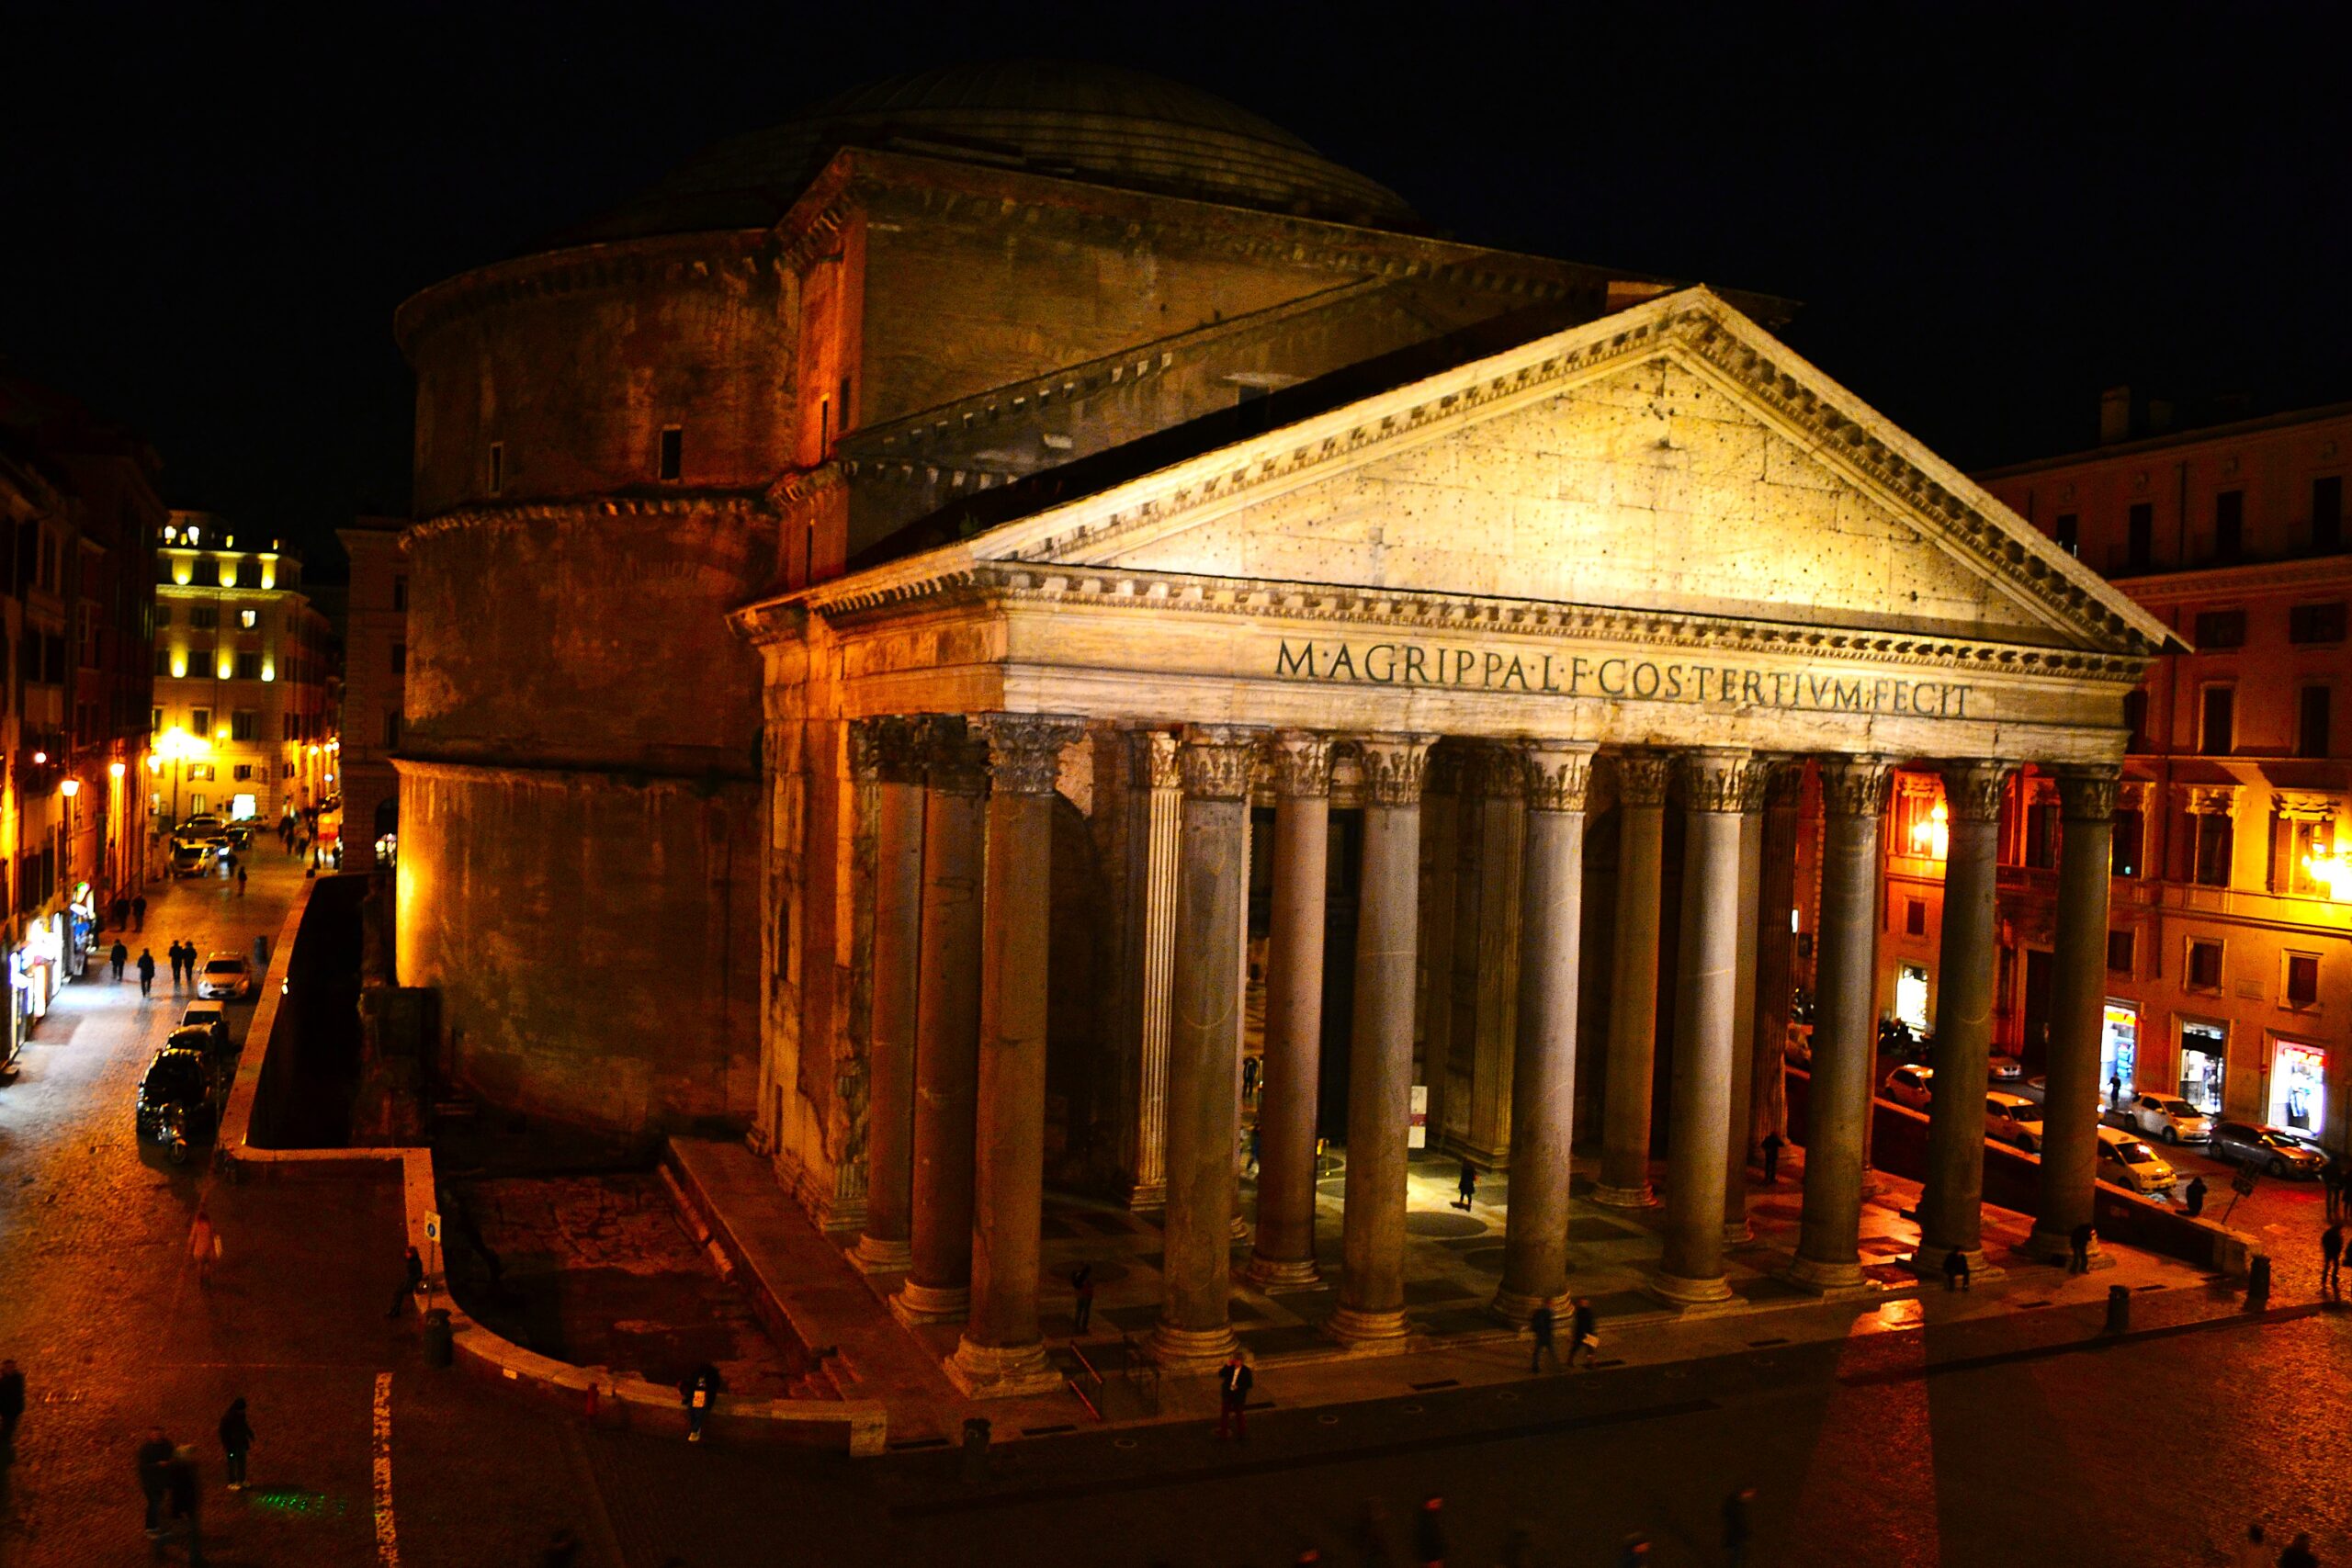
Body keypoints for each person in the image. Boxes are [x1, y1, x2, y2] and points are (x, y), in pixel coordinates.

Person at [165, 1442, 203, 1563]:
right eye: (190, 1454)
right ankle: (194, 1558)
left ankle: (195, 1557)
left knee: (189, 1533)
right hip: (186, 1508)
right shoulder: (180, 1470)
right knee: (191, 1533)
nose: (193, 1456)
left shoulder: (188, 1467)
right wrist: (181, 1510)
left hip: (189, 1506)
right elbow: (179, 1492)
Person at [137, 1427, 175, 1537]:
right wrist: (158, 1465)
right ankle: (150, 1528)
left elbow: (173, 1457)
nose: (157, 1437)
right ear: (150, 1435)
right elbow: (143, 1467)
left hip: (162, 1481)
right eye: (154, 1434)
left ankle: (157, 1526)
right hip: (149, 1482)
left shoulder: (167, 1445)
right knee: (154, 1503)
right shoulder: (146, 1449)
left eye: (158, 1434)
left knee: (159, 1502)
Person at [1215, 1350, 1252, 1440]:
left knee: (1239, 1415)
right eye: (1235, 1360)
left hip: (1238, 1396)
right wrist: (1227, 1366)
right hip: (1228, 1394)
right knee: (1224, 1414)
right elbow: (1221, 1374)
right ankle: (1223, 1432)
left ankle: (1242, 1433)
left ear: (1241, 1361)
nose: (1236, 1362)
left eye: (1238, 1360)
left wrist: (1238, 1387)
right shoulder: (1230, 1368)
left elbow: (1249, 1384)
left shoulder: (1246, 1371)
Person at [680, 1362, 722, 1442]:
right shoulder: (700, 1376)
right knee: (693, 1412)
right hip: (698, 1395)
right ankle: (695, 1430)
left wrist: (709, 1404)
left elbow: (711, 1391)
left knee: (697, 1413)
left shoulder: (706, 1377)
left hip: (702, 1396)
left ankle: (695, 1431)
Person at [218, 1398, 252, 1491]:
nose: (243, 1411)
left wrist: (249, 1433)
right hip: (232, 1445)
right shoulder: (228, 1418)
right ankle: (232, 1482)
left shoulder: (240, 1415)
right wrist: (227, 1445)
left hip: (241, 1443)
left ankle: (241, 1480)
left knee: (242, 1462)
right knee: (232, 1464)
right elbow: (223, 1433)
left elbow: (244, 1425)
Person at [1722, 1486, 1755, 1568]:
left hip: (1735, 1538)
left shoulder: (1736, 1506)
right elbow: (1738, 1523)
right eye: (1748, 1494)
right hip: (1736, 1538)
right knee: (1736, 1558)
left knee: (1736, 1557)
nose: (1749, 1497)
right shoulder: (1736, 1508)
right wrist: (1745, 1533)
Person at [388, 1245, 424, 1317]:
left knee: (399, 1293)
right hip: (408, 1281)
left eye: (408, 1253)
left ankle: (395, 1310)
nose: (406, 1254)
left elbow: (418, 1275)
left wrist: (411, 1280)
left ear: (412, 1254)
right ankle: (394, 1309)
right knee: (397, 1292)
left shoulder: (416, 1262)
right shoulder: (411, 1260)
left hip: (412, 1283)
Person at [189, 1209, 220, 1286]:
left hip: (199, 1249)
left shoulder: (196, 1225)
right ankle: (208, 1279)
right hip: (208, 1249)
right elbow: (214, 1236)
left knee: (200, 1264)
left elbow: (192, 1238)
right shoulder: (209, 1225)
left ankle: (200, 1279)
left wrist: (190, 1248)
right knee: (208, 1265)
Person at [1413, 1495, 1446, 1568]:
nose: (1438, 1505)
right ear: (1428, 1503)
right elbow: (1427, 1540)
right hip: (1432, 1557)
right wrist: (1433, 1559)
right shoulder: (1426, 1520)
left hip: (1433, 1557)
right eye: (1435, 1503)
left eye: (1439, 1503)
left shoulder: (1431, 1518)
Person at [1566, 1297, 1598, 1368]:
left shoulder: (1579, 1312)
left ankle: (1570, 1360)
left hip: (1581, 1334)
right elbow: (1590, 1324)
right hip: (1587, 1334)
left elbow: (1577, 1325)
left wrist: (1574, 1334)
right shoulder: (1588, 1312)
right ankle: (1591, 1363)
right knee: (1589, 1350)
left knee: (1576, 1348)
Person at [0, 1358, 23, 1454]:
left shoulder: (16, 1379)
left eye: (11, 1367)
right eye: (7, 1368)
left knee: (9, 1428)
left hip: (13, 1409)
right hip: (6, 1410)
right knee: (7, 1428)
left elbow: (14, 1392)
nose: (9, 1369)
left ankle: (5, 1445)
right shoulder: (6, 1379)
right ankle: (5, 1445)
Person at [1528, 1302, 1558, 1374]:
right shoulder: (1548, 1313)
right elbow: (1549, 1325)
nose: (1552, 1306)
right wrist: (1550, 1333)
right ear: (1548, 1305)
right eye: (1551, 1305)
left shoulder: (1538, 1312)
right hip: (1546, 1335)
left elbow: (1535, 1323)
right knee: (1551, 1351)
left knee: (1538, 1351)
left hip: (1540, 1335)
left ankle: (1535, 1366)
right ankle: (1556, 1366)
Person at [1070, 1263, 1095, 1335]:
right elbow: (1092, 1284)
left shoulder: (1079, 1275)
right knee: (1086, 1312)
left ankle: (1076, 1327)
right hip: (1087, 1295)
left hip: (1080, 1295)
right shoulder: (1088, 1277)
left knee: (1078, 1311)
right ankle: (1084, 1328)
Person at [2322, 1224, 2344, 1294]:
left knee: (2327, 1265)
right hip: (2334, 1253)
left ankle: (2324, 1278)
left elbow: (2323, 1240)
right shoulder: (2336, 1235)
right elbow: (2339, 1244)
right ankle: (2333, 1278)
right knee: (2335, 1265)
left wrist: (2325, 1248)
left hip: (2329, 1252)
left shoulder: (2328, 1232)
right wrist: (2338, 1250)